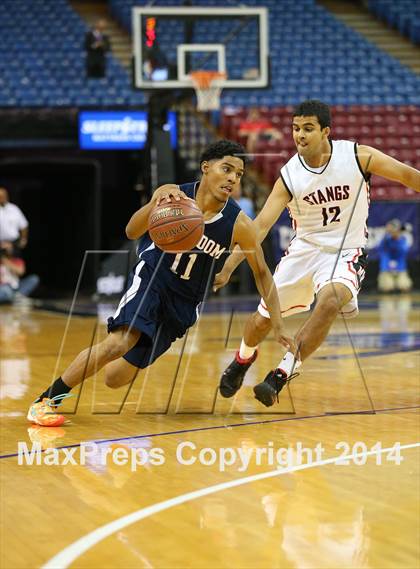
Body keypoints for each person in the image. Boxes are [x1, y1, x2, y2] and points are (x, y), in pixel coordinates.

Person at [27, 140, 294, 426]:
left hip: (184, 304)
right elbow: (131, 231)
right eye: (226, 169)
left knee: (115, 378)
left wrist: (277, 323)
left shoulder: (239, 224)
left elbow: (263, 273)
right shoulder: (173, 196)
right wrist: (155, 202)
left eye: (239, 174)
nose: (232, 178)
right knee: (119, 342)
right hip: (153, 279)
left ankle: (93, 365)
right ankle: (46, 401)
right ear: (206, 167)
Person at [215, 100, 420, 407]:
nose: (300, 135)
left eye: (308, 129)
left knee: (331, 300)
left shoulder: (357, 156)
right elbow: (260, 226)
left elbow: (407, 176)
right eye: (296, 129)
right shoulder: (290, 175)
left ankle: (281, 374)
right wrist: (230, 265)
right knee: (260, 323)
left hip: (345, 251)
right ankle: (243, 359)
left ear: (326, 131)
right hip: (304, 250)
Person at [377, 219, 413, 292]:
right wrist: (388, 235)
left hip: (400, 267)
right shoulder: (385, 239)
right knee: (386, 287)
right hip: (386, 267)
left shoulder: (403, 240)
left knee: (404, 286)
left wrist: (397, 239)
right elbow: (380, 248)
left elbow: (404, 251)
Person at [0, 187, 29, 252]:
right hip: (1, 244)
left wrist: (23, 240)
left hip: (14, 244)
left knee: (17, 262)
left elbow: (23, 225)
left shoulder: (14, 208)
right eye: (0, 196)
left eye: (4, 196)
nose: (3, 198)